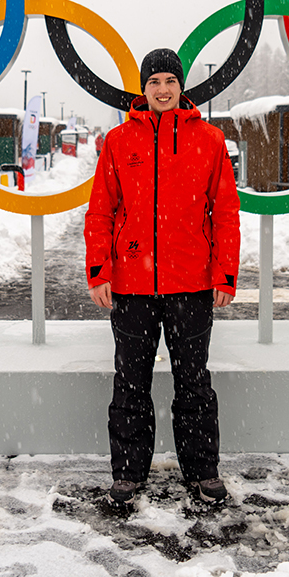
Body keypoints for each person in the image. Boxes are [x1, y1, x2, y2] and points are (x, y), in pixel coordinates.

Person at [84, 47, 240, 506]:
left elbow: (226, 213)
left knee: (193, 381)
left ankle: (203, 471)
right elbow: (101, 212)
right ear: (143, 88)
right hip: (132, 286)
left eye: (170, 81)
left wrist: (224, 275)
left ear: (181, 86)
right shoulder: (118, 141)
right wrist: (99, 271)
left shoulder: (209, 140)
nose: (163, 89)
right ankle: (129, 473)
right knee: (130, 383)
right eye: (154, 82)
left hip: (191, 284)